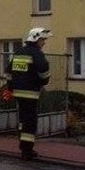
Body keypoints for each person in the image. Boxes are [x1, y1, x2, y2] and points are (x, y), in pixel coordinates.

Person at [4, 27, 52, 161]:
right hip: (31, 93)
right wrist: (44, 80)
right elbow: (44, 69)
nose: (44, 43)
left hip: (18, 93)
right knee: (30, 122)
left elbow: (8, 72)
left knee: (23, 120)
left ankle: (22, 145)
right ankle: (27, 151)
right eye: (42, 40)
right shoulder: (36, 54)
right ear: (36, 39)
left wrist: (10, 87)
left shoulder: (19, 52)